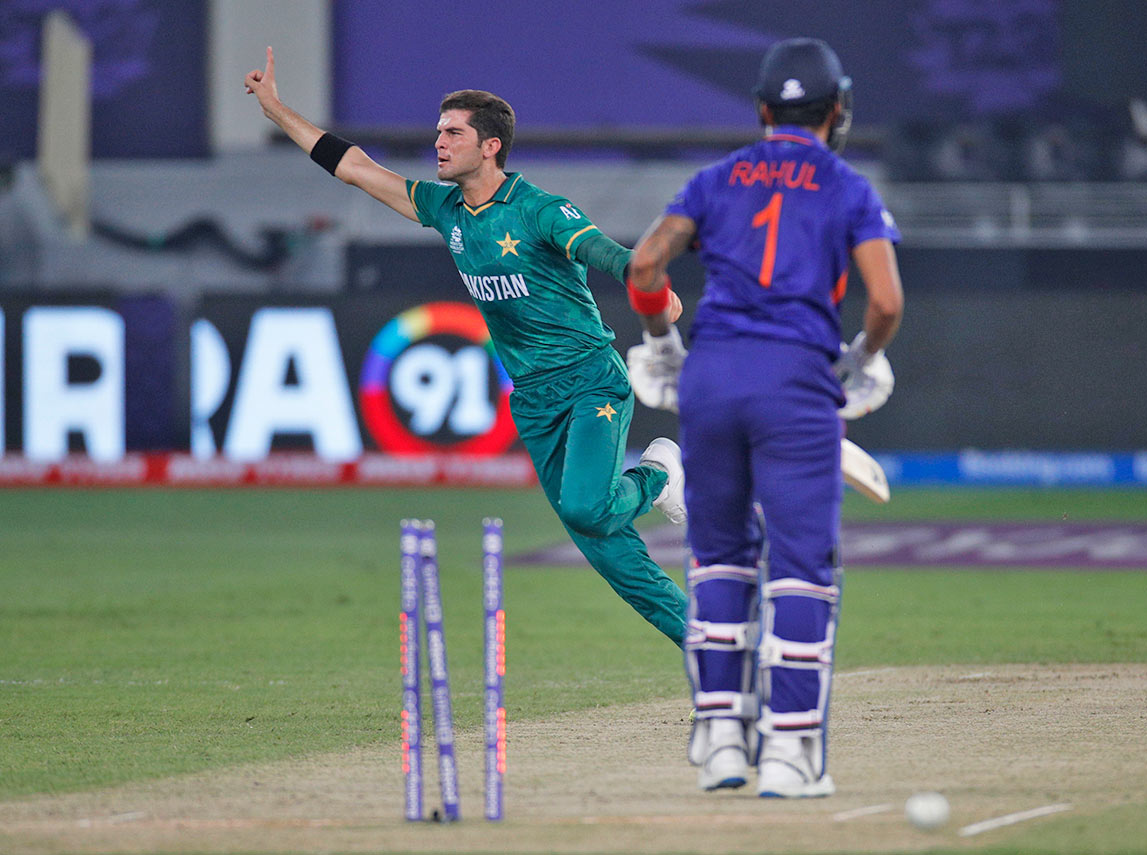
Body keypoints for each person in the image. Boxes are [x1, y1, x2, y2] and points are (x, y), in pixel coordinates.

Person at [244, 48, 690, 646]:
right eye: (437, 132)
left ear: (491, 146)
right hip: (532, 400)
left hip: (590, 382)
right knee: (608, 551)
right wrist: (277, 111)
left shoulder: (540, 210)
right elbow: (354, 167)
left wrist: (650, 286)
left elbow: (612, 257)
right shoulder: (443, 206)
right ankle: (713, 652)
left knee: (587, 510)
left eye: (453, 132)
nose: (439, 142)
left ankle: (659, 473)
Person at [624, 37, 904, 797]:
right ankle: (789, 752)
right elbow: (884, 302)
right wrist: (859, 361)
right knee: (802, 568)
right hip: (796, 384)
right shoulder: (848, 186)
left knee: (720, 557)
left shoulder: (716, 180)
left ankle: (719, 740)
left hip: (711, 378)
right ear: (837, 109)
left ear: (760, 109)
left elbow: (644, 265)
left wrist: (661, 344)